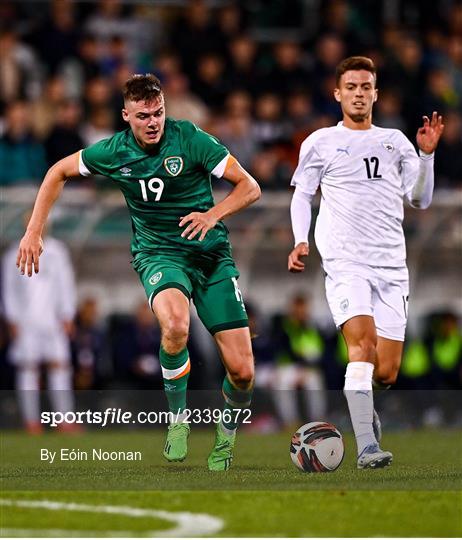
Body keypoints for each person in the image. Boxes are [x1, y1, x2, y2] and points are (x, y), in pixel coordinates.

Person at [16, 73, 261, 471]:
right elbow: (56, 172)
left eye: (159, 113)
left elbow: (249, 186)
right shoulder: (114, 152)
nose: (153, 122)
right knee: (176, 325)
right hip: (159, 255)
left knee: (243, 372)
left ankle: (226, 436)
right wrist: (34, 231)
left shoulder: (191, 139)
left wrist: (213, 214)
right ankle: (177, 421)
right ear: (126, 115)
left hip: (211, 257)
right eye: (144, 115)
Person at [288, 56, 444, 469]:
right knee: (362, 345)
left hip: (392, 265)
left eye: (366, 86)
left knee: (387, 372)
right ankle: (366, 447)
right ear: (337, 93)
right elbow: (303, 195)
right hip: (345, 261)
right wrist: (300, 240)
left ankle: (365, 408)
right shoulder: (320, 142)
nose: (359, 93)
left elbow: (421, 200)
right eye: (351, 87)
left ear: (375, 93)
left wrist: (426, 157)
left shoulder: (395, 140)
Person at [2, 225, 77, 434]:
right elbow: (9, 289)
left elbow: (66, 283)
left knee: (60, 366)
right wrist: (12, 318)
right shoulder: (12, 253)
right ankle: (31, 421)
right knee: (28, 368)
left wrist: (68, 313)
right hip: (26, 321)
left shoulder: (58, 251)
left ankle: (65, 419)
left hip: (53, 320)